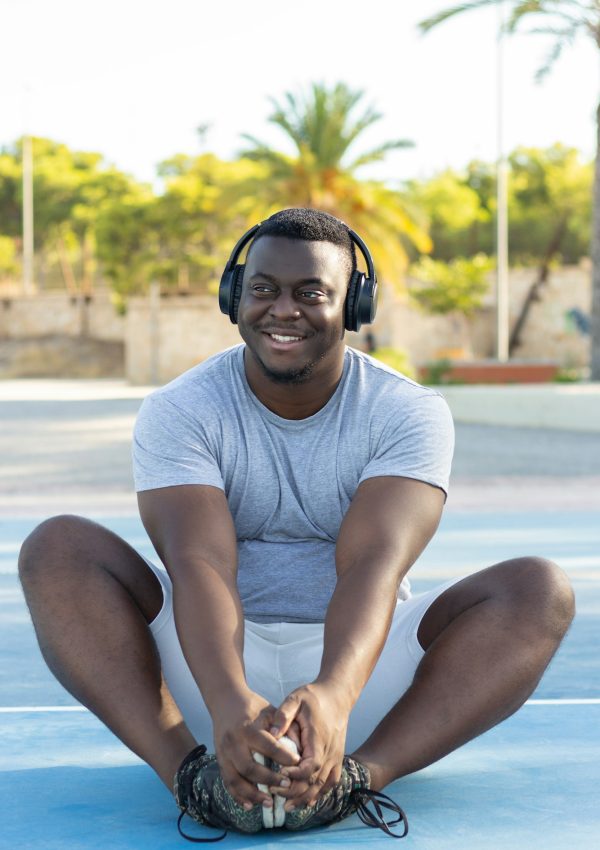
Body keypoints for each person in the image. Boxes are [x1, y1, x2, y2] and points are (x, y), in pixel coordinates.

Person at [18, 208, 575, 842]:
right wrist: (228, 697)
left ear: (354, 306)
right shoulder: (180, 408)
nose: (283, 309)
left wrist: (335, 694)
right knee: (58, 547)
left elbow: (373, 564)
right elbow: (199, 561)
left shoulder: (407, 411)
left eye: (311, 293)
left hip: (361, 678)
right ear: (234, 296)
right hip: (212, 670)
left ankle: (355, 781)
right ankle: (192, 777)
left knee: (539, 589)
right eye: (263, 289)